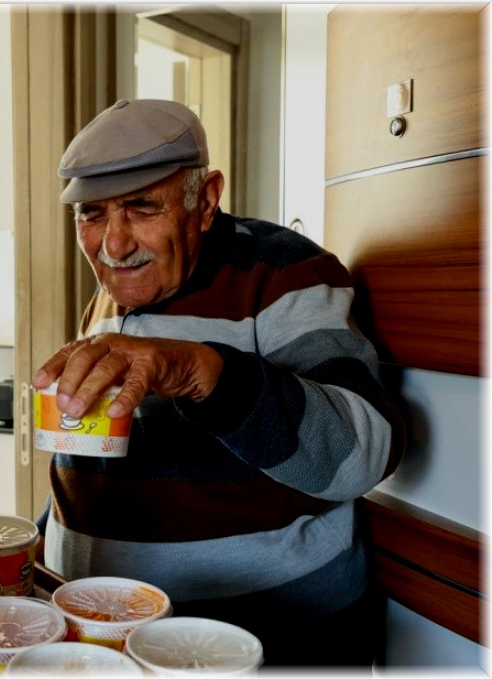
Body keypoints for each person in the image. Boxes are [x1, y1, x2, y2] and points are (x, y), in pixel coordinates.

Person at [31, 99, 406, 668]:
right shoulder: (117, 288)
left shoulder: (285, 274)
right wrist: (45, 539)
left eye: (140, 207)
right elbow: (100, 459)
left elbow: (365, 451)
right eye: (91, 213)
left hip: (271, 639)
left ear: (205, 201)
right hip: (107, 635)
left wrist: (203, 373)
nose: (114, 243)